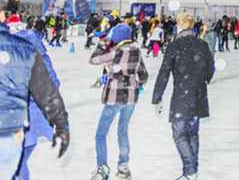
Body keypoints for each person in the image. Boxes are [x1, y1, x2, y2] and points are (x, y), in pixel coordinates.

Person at [1, 13, 69, 179]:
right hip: (27, 122)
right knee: (18, 164)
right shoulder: (32, 50)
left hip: (18, 122)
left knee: (17, 167)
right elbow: (52, 85)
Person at [152, 14, 214, 180]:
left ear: (179, 25)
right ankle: (193, 170)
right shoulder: (202, 44)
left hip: (182, 96)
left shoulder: (175, 46)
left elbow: (164, 73)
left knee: (179, 135)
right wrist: (204, 78)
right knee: (192, 134)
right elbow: (211, 69)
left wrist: (156, 98)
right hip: (198, 95)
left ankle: (190, 170)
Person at [89, 23, 149, 179]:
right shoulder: (137, 51)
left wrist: (103, 43)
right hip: (130, 98)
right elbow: (144, 75)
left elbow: (94, 59)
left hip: (115, 97)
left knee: (101, 134)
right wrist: (135, 83)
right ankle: (123, 166)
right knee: (122, 131)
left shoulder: (116, 52)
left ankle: (102, 168)